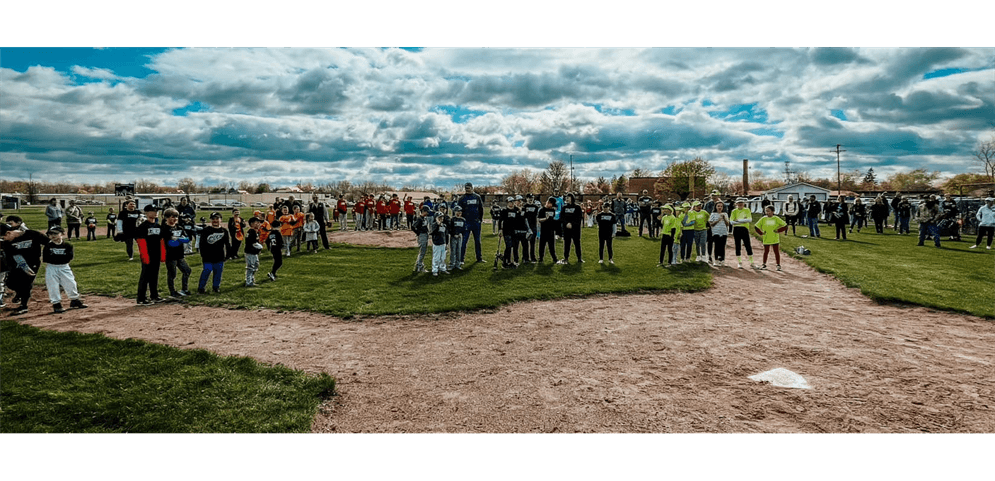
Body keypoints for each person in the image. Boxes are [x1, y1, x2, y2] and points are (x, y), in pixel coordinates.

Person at [2, 219, 50, 315]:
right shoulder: (8, 243)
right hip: (17, 263)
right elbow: (11, 255)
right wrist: (21, 266)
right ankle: (19, 293)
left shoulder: (32, 234)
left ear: (8, 233)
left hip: (33, 263)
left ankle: (23, 306)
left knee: (26, 284)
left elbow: (48, 243)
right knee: (9, 283)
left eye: (4, 237)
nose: (4, 240)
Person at [42, 226, 88, 313]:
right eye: (50, 234)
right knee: (53, 285)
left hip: (64, 267)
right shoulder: (48, 246)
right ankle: (56, 304)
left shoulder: (67, 245)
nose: (53, 236)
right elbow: (46, 259)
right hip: (52, 267)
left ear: (62, 234)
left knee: (71, 283)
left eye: (55, 233)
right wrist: (59, 258)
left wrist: (57, 258)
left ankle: (74, 300)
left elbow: (69, 258)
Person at [135, 204, 166, 305]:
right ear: (147, 213)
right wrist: (145, 256)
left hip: (156, 254)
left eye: (157, 210)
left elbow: (161, 241)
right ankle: (141, 298)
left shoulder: (158, 226)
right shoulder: (143, 226)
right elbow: (141, 242)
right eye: (154, 210)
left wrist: (162, 255)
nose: (156, 212)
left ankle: (154, 296)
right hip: (148, 254)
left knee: (154, 276)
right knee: (145, 276)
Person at [162, 208, 193, 298]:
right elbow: (170, 243)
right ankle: (172, 291)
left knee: (187, 270)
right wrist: (180, 240)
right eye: (172, 217)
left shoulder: (179, 227)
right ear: (166, 218)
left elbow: (187, 239)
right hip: (170, 255)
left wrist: (179, 239)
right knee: (172, 274)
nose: (175, 219)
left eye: (176, 217)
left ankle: (184, 289)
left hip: (179, 254)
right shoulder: (165, 229)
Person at [198, 212, 230, 294]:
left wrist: (228, 255)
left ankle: (216, 287)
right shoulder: (206, 230)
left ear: (221, 220)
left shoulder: (224, 231)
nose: (215, 220)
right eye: (213, 219)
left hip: (219, 256)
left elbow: (227, 244)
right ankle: (201, 288)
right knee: (207, 270)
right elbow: (202, 244)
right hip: (208, 256)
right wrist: (203, 255)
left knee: (218, 272)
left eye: (217, 219)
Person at [754, 205, 788, 271]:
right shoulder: (763, 219)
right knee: (766, 252)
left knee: (776, 252)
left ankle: (778, 265)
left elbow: (785, 225)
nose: (767, 212)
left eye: (768, 211)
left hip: (774, 238)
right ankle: (764, 264)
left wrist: (778, 230)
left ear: (773, 211)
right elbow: (756, 226)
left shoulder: (776, 218)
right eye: (766, 211)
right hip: (766, 238)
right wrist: (761, 233)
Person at [729, 197, 756, 269]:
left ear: (744, 203)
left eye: (741, 203)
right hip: (736, 229)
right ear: (736, 204)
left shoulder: (747, 210)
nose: (740, 204)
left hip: (744, 229)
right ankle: (739, 262)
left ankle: (752, 262)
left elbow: (749, 219)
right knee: (738, 245)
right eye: (739, 203)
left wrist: (738, 221)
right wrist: (743, 220)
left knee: (748, 245)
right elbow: (731, 222)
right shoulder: (734, 211)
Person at [560, 193, 584, 264]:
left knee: (577, 243)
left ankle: (579, 258)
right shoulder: (564, 207)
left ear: (572, 198)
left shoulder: (577, 207)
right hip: (566, 229)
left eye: (568, 197)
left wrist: (572, 224)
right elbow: (562, 217)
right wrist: (566, 223)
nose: (567, 199)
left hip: (575, 229)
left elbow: (579, 218)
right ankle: (566, 258)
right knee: (566, 244)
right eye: (566, 197)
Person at [500, 196, 523, 268]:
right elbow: (501, 221)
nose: (511, 203)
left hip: (515, 231)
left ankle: (514, 261)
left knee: (515, 246)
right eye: (510, 202)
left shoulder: (516, 210)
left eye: (512, 202)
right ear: (507, 203)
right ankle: (506, 262)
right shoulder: (504, 210)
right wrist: (500, 230)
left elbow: (519, 220)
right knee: (508, 246)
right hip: (506, 231)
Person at [708, 200, 732, 267]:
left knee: (722, 246)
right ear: (715, 207)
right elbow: (711, 224)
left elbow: (727, 224)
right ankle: (716, 260)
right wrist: (718, 219)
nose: (720, 207)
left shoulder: (725, 214)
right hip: (716, 232)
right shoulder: (713, 214)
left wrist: (724, 218)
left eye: (721, 206)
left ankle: (722, 260)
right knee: (717, 245)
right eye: (718, 206)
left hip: (723, 231)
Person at [537, 196, 559, 264]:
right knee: (542, 246)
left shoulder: (552, 210)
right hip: (544, 231)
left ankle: (554, 258)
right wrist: (545, 218)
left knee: (552, 246)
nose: (552, 206)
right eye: (551, 204)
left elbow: (553, 219)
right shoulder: (542, 210)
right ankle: (541, 258)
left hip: (551, 231)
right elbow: (539, 220)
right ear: (548, 203)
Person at [244, 217, 264, 287]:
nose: (259, 224)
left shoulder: (255, 231)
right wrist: (260, 247)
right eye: (257, 222)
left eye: (259, 222)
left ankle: (251, 279)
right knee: (251, 267)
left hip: (253, 252)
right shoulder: (252, 232)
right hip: (250, 252)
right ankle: (248, 281)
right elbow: (253, 243)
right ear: (252, 224)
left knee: (255, 265)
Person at [429, 207, 450, 276]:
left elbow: (446, 234)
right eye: (439, 218)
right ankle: (435, 270)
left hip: (443, 243)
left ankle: (442, 268)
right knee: (436, 257)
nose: (441, 219)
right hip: (437, 243)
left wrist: (446, 243)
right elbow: (432, 232)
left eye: (442, 218)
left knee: (443, 257)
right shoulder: (434, 225)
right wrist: (437, 224)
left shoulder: (444, 225)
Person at [412, 205, 431, 273]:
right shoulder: (419, 219)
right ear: (423, 211)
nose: (428, 213)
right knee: (422, 251)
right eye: (427, 212)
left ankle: (418, 265)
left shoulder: (424, 218)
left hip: (425, 234)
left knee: (423, 251)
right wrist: (418, 233)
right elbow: (413, 227)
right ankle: (419, 266)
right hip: (422, 235)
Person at [448, 206, 467, 271]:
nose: (458, 213)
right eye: (457, 212)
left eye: (460, 212)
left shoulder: (463, 220)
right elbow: (450, 229)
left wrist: (461, 234)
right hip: (453, 237)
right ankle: (452, 264)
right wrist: (454, 234)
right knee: (453, 251)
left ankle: (458, 264)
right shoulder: (452, 219)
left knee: (459, 250)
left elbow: (464, 229)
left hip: (459, 237)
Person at [522, 193, 539, 263]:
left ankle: (533, 257)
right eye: (529, 198)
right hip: (526, 227)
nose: (530, 199)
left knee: (533, 243)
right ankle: (525, 258)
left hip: (533, 227)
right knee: (525, 244)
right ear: (526, 199)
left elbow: (537, 217)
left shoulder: (536, 207)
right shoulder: (524, 206)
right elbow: (523, 217)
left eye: (531, 198)